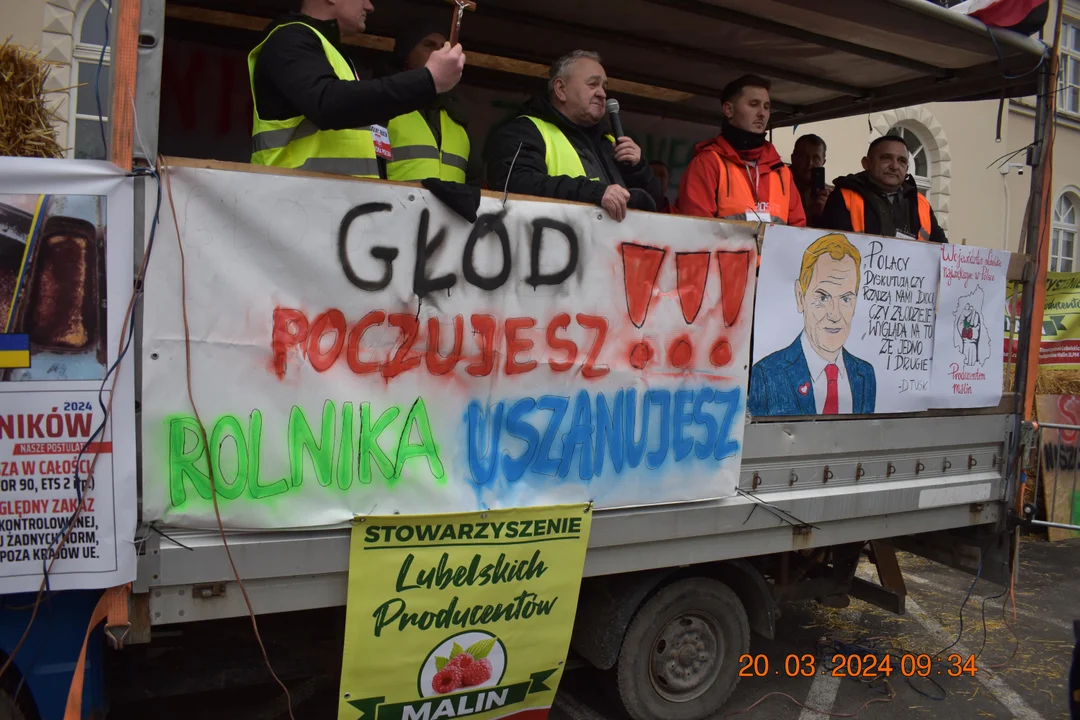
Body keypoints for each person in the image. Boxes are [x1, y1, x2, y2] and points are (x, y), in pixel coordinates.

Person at [248, 0, 465, 178]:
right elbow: (328, 104)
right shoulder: (289, 39)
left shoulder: (333, 55)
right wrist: (428, 80)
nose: (370, 6)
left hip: (327, 210)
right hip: (290, 209)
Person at [485, 50, 664, 222]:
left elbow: (658, 207)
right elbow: (515, 185)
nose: (602, 93)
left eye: (604, 86)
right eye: (593, 84)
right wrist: (594, 193)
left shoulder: (611, 142)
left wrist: (638, 169)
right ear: (561, 89)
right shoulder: (525, 131)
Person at [748, 233, 876, 417]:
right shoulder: (768, 375)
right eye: (822, 297)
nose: (835, 314)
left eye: (846, 298)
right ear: (800, 297)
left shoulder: (865, 375)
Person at [677, 75, 805, 226]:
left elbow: (798, 233)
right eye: (753, 104)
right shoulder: (708, 163)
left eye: (766, 107)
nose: (762, 113)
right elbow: (696, 232)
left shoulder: (782, 172)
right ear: (729, 110)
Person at [385, 22, 473, 183]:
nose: (439, 53)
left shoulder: (457, 115)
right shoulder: (382, 103)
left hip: (448, 209)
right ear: (406, 55)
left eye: (444, 47)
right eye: (429, 45)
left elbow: (474, 179)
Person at [818, 135, 947, 243]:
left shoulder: (921, 203)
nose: (895, 166)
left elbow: (942, 249)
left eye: (901, 161)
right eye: (886, 158)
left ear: (907, 168)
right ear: (866, 163)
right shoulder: (844, 197)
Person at [790, 134, 830, 227]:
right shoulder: (780, 186)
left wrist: (827, 212)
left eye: (816, 158)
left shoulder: (829, 194)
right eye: (803, 157)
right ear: (793, 158)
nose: (810, 163)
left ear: (823, 162)